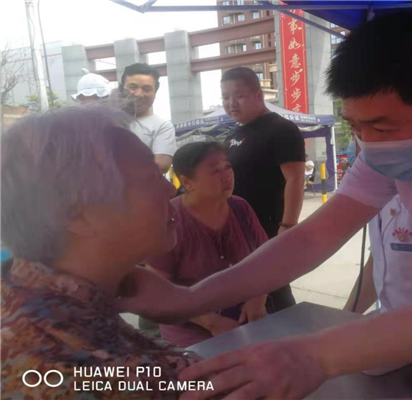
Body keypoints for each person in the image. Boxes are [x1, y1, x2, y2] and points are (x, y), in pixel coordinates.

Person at [118, 10, 412, 399]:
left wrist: (315, 355)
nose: (369, 144)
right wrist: (193, 298)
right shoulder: (398, 140)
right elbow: (314, 236)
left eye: (383, 127)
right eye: (357, 126)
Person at [0, 108, 205, 399]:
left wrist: (191, 299)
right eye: (151, 177)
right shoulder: (100, 377)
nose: (171, 190)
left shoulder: (23, 292)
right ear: (77, 214)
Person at [147, 142, 271, 348]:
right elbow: (158, 289)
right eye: (215, 171)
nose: (226, 175)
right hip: (192, 333)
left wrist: (258, 298)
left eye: (227, 167)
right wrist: (212, 322)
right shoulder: (167, 220)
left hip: (247, 320)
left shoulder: (240, 207)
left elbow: (267, 259)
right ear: (187, 182)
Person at [221, 66, 306, 311]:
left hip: (268, 228)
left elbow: (295, 179)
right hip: (237, 228)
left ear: (258, 95)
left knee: (274, 289)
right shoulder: (233, 134)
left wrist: (287, 227)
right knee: (246, 292)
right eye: (225, 97)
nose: (231, 103)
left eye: (239, 95)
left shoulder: (281, 129)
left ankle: (292, 331)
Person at [121, 63, 177, 174]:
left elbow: (161, 165)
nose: (138, 94)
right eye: (132, 87)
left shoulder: (162, 126)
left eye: (146, 89)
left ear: (155, 93)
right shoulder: (107, 120)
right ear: (122, 89)